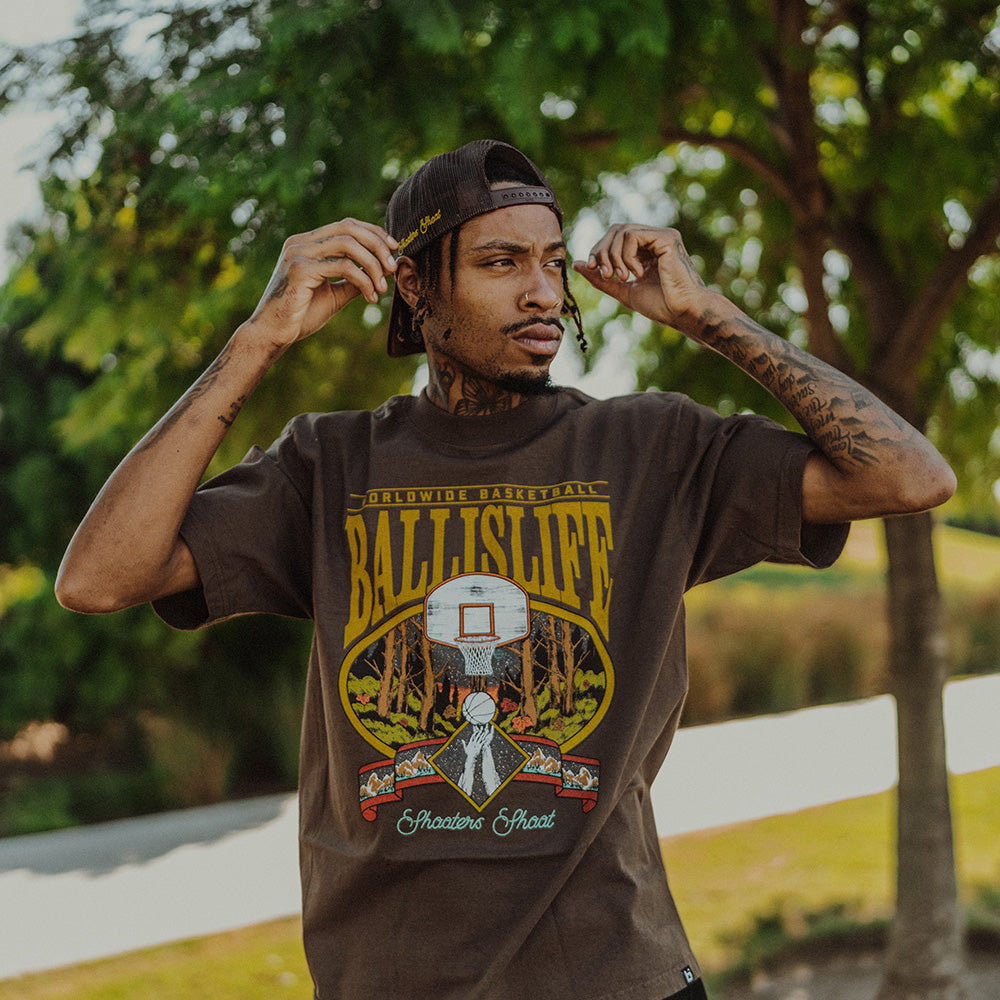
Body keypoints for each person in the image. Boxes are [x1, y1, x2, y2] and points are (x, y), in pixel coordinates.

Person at [56, 139, 955, 1000]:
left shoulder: (652, 448)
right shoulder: (327, 466)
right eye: (501, 263)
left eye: (554, 263)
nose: (542, 293)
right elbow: (99, 579)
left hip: (614, 978)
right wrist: (258, 339)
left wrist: (707, 316)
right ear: (415, 284)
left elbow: (910, 477)